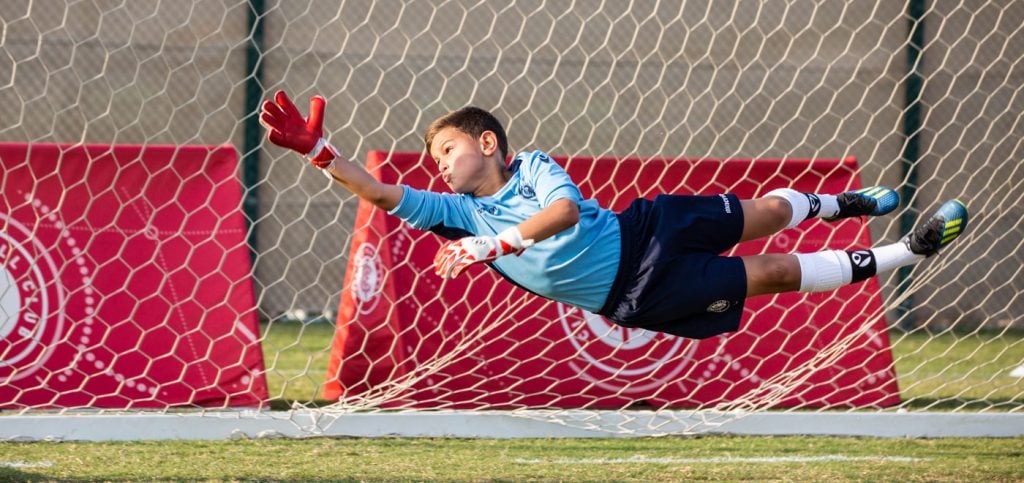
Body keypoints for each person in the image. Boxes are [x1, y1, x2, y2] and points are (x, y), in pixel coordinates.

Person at [259, 91, 969, 339]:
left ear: (488, 143)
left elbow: (565, 214)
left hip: (644, 228)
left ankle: (837, 204)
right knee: (774, 270)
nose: (438, 163)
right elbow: (382, 193)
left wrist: (494, 245)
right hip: (636, 292)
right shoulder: (453, 212)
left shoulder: (532, 168)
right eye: (433, 157)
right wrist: (320, 152)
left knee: (760, 214)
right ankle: (911, 249)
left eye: (446, 149)